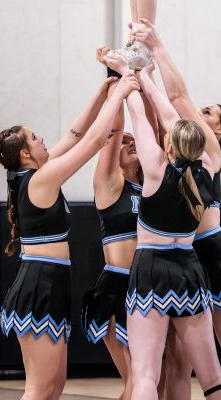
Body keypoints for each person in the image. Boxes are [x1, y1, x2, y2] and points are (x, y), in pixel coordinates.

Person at [131, 20, 221, 400]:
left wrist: (154, 49)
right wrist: (145, 74)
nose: (200, 113)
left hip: (210, 252)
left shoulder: (209, 150)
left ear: (219, 132)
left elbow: (175, 98)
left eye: (208, 113)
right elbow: (164, 115)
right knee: (177, 363)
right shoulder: (188, 155)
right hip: (185, 257)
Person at [0, 73, 138, 400]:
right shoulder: (40, 180)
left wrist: (103, 90)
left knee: (54, 386)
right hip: (38, 284)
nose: (42, 139)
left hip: (50, 282)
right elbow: (89, 143)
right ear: (25, 155)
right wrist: (122, 92)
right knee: (41, 388)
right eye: (34, 138)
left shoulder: (35, 173)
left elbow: (75, 134)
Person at [105, 51, 221, 400]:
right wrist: (146, 76)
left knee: (146, 374)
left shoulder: (156, 169)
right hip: (189, 269)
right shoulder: (208, 167)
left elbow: (143, 117)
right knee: (213, 377)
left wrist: (128, 76)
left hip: (151, 268)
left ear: (170, 144)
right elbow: (172, 117)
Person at [81, 66, 143, 400]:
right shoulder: (109, 183)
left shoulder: (148, 187)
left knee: (152, 380)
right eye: (125, 142)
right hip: (117, 285)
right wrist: (117, 83)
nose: (131, 143)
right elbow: (116, 129)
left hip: (146, 284)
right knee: (135, 381)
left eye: (135, 141)